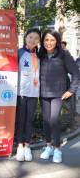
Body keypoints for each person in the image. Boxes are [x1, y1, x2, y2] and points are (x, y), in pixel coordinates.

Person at [39, 29, 80, 163]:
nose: (49, 43)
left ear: (56, 41)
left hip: (58, 94)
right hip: (43, 93)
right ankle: (48, 146)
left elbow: (75, 73)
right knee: (45, 121)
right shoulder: (41, 54)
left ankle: (57, 149)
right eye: (46, 40)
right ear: (42, 41)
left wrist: (71, 90)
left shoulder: (64, 54)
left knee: (54, 120)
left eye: (52, 40)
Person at [15, 28, 41, 161]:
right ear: (25, 38)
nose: (32, 40)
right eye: (30, 37)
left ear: (38, 41)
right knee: (20, 119)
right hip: (20, 93)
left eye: (36, 38)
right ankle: (20, 145)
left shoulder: (40, 55)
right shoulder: (19, 53)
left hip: (33, 93)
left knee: (29, 120)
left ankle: (27, 145)